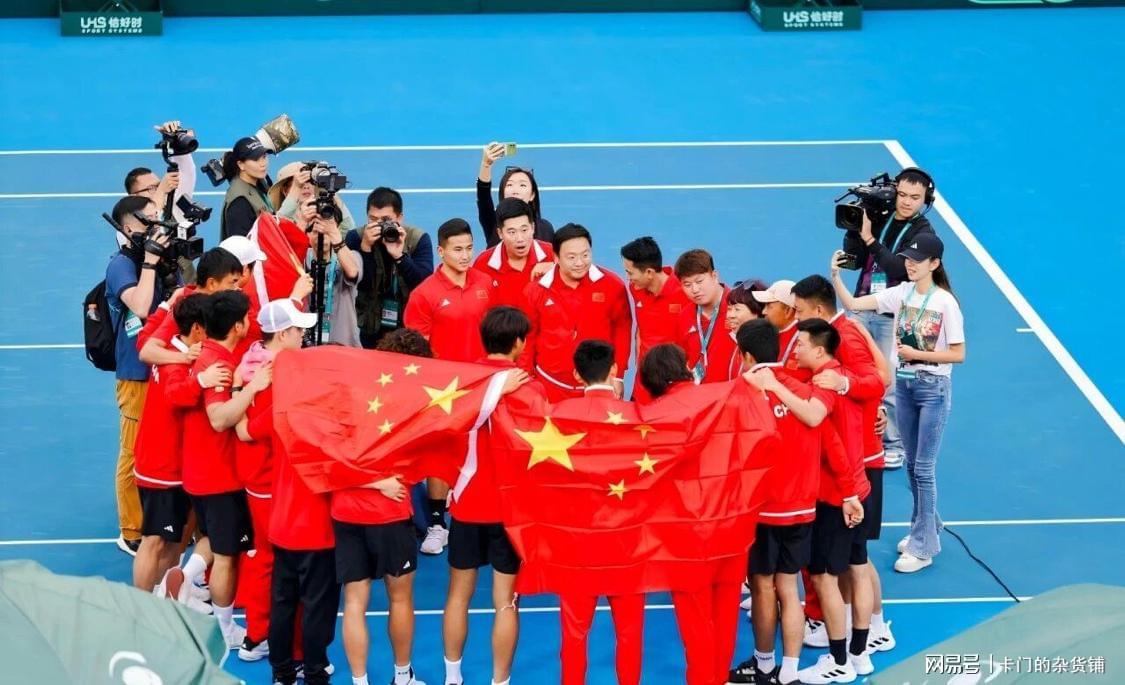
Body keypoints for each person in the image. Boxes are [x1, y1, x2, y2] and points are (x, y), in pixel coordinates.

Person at [831, 234, 964, 573]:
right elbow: (854, 303)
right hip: (904, 387)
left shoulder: (945, 302)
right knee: (911, 466)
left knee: (923, 468)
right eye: (908, 259)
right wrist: (836, 276)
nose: (910, 264)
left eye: (917, 260)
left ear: (934, 264)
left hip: (932, 388)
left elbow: (958, 354)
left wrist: (917, 354)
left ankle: (923, 545)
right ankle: (927, 525)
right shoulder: (901, 293)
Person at [754, 320, 871, 684]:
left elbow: (817, 420)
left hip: (834, 494)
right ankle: (859, 653)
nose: (795, 349)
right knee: (857, 568)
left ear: (819, 349)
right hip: (851, 487)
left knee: (824, 579)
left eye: (801, 344)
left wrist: (774, 384)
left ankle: (840, 660)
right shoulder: (834, 378)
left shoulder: (824, 384)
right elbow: (876, 382)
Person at [728, 319, 841, 685]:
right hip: (802, 507)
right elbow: (824, 430)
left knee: (762, 586)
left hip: (762, 509)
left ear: (746, 356)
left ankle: (764, 666)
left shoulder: (741, 393)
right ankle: (789, 671)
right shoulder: (804, 389)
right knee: (789, 588)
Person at [443, 306, 541, 685]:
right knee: (506, 602)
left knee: (458, 596)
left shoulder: (462, 383)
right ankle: (500, 681)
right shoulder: (530, 389)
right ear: (519, 343)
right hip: (509, 511)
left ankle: (452, 678)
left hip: (467, 504)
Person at [638, 343, 742, 685]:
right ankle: (718, 677)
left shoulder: (652, 418)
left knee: (695, 618)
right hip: (732, 524)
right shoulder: (725, 397)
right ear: (683, 367)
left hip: (684, 534)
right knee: (726, 610)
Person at [251, 306, 341, 685]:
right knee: (318, 606)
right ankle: (316, 672)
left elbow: (247, 430)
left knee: (283, 602)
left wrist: (245, 388)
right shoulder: (330, 419)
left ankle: (282, 672)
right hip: (318, 529)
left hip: (283, 524)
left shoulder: (282, 408)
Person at [182, 290, 272, 649]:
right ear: (237, 326)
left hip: (201, 470)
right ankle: (224, 629)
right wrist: (251, 389)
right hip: (219, 475)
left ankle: (184, 577)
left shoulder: (208, 354)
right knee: (226, 557)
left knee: (213, 542)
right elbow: (219, 418)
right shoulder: (217, 364)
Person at [232, 298, 318, 665]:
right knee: (277, 564)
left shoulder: (251, 360)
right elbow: (255, 430)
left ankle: (257, 634)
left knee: (261, 558)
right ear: (282, 334)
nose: (303, 336)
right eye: (298, 330)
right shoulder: (276, 377)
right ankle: (263, 637)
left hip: (258, 479)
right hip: (273, 482)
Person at [556, 340, 645, 685]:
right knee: (629, 633)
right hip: (628, 543)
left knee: (574, 634)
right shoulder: (638, 419)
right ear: (614, 370)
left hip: (577, 544)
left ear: (576, 375)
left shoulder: (557, 417)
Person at [404, 218, 495, 555]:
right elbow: (418, 351)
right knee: (440, 456)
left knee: (483, 451)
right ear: (441, 252)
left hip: (482, 385)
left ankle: (482, 517)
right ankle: (438, 523)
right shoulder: (424, 294)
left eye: (469, 248)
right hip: (443, 391)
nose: (465, 255)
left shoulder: (486, 283)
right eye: (457, 249)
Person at [842, 168, 937, 469]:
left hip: (893, 315)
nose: (907, 202)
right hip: (861, 304)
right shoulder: (880, 216)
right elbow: (855, 260)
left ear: (925, 200)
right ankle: (854, 432)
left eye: (915, 197)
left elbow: (898, 268)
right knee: (849, 369)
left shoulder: (924, 234)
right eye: (903, 195)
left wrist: (870, 238)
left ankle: (893, 442)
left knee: (889, 382)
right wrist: (854, 231)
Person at [133, 294, 228, 596]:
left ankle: (165, 597)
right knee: (154, 540)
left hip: (171, 463)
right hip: (162, 467)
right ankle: (141, 605)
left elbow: (147, 340)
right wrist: (202, 380)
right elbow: (177, 395)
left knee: (175, 539)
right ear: (198, 328)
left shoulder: (171, 351)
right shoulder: (175, 363)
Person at [105, 194, 173, 556]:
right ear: (130, 227)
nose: (157, 225)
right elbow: (142, 306)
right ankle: (131, 529)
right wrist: (150, 261)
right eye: (149, 220)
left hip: (166, 364)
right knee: (133, 451)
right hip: (136, 372)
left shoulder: (160, 256)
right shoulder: (120, 266)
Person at [520, 224, 631, 401]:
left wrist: (618, 377)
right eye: (571, 257)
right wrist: (527, 380)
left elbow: (622, 330)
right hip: (549, 386)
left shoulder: (613, 285)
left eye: (585, 255)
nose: (580, 263)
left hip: (598, 387)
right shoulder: (535, 290)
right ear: (556, 257)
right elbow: (527, 338)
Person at [345, 187, 433, 349]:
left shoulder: (417, 239)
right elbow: (359, 285)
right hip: (369, 324)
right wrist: (365, 248)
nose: (379, 225)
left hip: (407, 325)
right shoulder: (356, 237)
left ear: (400, 218)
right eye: (373, 219)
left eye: (386, 220)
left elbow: (424, 285)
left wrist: (400, 256)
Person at [619, 236, 690, 402]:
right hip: (643, 381)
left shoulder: (685, 292)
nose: (628, 278)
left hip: (673, 381)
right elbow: (640, 329)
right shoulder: (636, 288)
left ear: (649, 273)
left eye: (630, 272)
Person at [473, 198, 555, 308]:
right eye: (512, 232)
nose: (520, 238)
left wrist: (556, 269)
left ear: (533, 228)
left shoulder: (553, 254)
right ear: (500, 233)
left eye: (524, 230)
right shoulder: (483, 263)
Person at [674, 249, 737, 384]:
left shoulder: (740, 309)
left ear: (714, 276)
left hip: (733, 392)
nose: (695, 290)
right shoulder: (684, 316)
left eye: (699, 281)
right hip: (699, 393)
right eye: (687, 284)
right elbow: (683, 360)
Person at [303, 204, 362, 347]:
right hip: (307, 343)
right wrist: (301, 220)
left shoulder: (351, 255)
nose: (322, 235)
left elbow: (352, 272)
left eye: (327, 230)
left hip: (343, 344)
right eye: (316, 230)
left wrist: (335, 236)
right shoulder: (301, 258)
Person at [476, 142, 554, 246]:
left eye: (522, 185)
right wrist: (486, 164)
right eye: (509, 185)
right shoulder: (493, 222)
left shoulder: (545, 228)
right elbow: (483, 195)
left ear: (532, 195)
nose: (515, 190)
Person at [268, 161, 357, 234]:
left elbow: (348, 231)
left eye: (309, 181)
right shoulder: (285, 217)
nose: (306, 186)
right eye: (300, 184)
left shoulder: (326, 212)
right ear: (285, 191)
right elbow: (278, 231)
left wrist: (329, 186)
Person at [219, 136, 274, 240]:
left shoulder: (259, 183)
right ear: (241, 165)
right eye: (256, 159)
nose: (263, 164)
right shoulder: (239, 202)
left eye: (264, 156)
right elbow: (240, 245)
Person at [723, 279, 767, 379]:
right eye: (729, 309)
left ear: (757, 311)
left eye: (737, 309)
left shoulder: (766, 347)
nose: (730, 315)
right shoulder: (738, 340)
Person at [752, 279, 799, 371]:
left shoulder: (801, 341)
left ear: (788, 311)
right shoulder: (773, 334)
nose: (763, 312)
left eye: (769, 306)